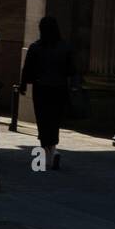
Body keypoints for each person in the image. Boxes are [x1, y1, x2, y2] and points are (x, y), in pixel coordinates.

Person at [19, 17, 75, 170]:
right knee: (54, 120)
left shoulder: (36, 48)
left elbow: (27, 69)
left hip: (41, 88)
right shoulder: (65, 47)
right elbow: (72, 70)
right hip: (59, 88)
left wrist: (23, 85)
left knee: (43, 120)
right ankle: (54, 150)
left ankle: (46, 152)